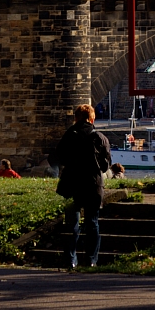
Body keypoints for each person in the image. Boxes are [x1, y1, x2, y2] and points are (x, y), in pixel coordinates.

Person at [55, 103, 111, 269]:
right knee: (92, 222)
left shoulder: (69, 135)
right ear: (92, 118)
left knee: (72, 222)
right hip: (93, 184)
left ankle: (71, 259)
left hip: (72, 183)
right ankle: (91, 259)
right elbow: (106, 165)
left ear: (76, 118)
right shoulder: (100, 137)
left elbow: (59, 157)